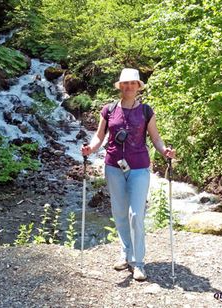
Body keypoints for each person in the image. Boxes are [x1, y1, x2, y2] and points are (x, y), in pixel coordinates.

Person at [81, 68, 175, 281]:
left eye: (133, 83)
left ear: (138, 86)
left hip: (140, 167)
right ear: (120, 86)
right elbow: (98, 137)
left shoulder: (146, 111)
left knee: (135, 214)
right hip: (113, 166)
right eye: (125, 83)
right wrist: (90, 149)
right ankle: (125, 252)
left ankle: (138, 261)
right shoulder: (109, 110)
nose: (129, 86)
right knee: (120, 212)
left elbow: (156, 138)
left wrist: (164, 151)